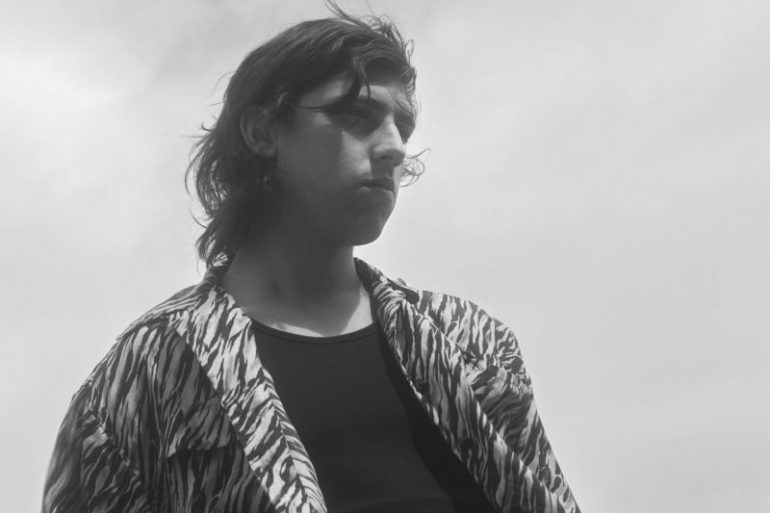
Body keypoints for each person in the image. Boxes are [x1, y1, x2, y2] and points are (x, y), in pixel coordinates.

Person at [43, 6, 580, 513]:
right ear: (263, 132)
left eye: (404, 126)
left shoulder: (471, 343)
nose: (395, 147)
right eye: (356, 114)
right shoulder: (153, 368)